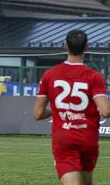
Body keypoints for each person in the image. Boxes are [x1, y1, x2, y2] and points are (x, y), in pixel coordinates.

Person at [33, 29, 110, 185]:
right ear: (87, 47)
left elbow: (38, 114)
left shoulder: (50, 75)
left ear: (65, 46)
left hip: (64, 139)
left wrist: (53, 111)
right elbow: (106, 111)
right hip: (88, 139)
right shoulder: (95, 76)